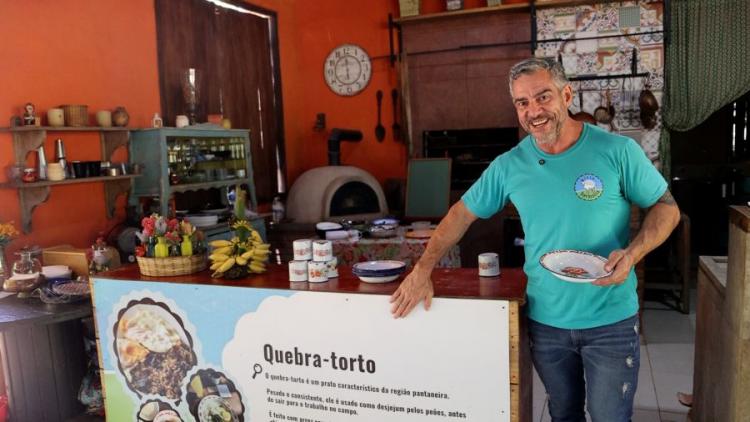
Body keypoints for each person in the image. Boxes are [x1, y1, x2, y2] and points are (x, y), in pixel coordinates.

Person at [389, 58, 680, 422]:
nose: (534, 111)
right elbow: (460, 214)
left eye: (543, 97)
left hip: (610, 321)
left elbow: (667, 208)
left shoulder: (617, 151)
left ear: (566, 95)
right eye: (522, 103)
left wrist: (633, 253)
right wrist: (423, 268)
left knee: (610, 417)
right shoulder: (510, 164)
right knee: (563, 415)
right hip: (546, 322)